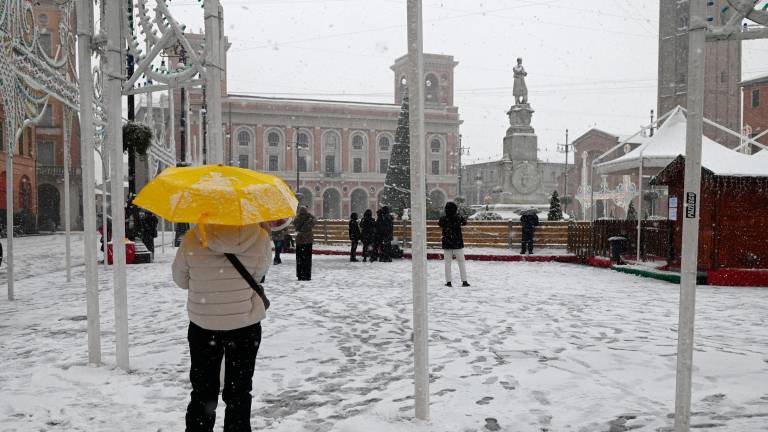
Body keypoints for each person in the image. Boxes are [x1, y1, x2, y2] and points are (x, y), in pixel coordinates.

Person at [172, 223, 271, 432]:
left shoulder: (192, 238)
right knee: (239, 391)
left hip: (204, 323)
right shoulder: (260, 237)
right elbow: (259, 275)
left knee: (203, 391)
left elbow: (180, 280)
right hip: (245, 323)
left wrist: (206, 282)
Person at [439, 201, 470, 287]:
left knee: (447, 263)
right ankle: (464, 281)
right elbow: (464, 222)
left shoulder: (443, 219)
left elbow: (440, 224)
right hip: (457, 243)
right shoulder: (458, 218)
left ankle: (448, 282)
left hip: (447, 244)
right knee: (461, 262)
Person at [293, 206, 316, 281]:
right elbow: (315, 221)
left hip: (300, 240)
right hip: (308, 240)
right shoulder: (310, 218)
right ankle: (307, 275)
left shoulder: (297, 219)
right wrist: (309, 215)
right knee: (308, 259)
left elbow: (295, 226)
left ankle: (300, 275)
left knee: (299, 259)